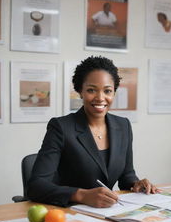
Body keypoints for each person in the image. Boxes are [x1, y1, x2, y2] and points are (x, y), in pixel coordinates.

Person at [28, 56, 158, 208]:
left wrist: (136, 184)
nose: (100, 98)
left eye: (107, 91)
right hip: (68, 214)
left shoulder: (123, 126)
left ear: (114, 92)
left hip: (107, 213)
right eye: (91, 90)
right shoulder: (61, 127)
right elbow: (36, 186)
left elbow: (126, 175)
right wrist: (82, 195)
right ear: (80, 91)